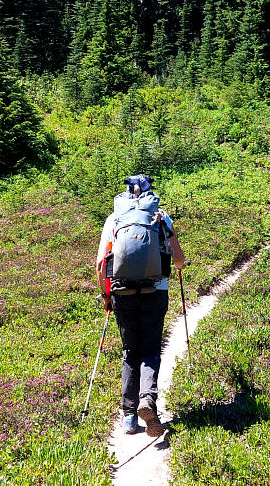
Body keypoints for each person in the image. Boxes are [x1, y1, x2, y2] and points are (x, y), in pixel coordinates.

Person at [96, 174, 185, 437]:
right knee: (150, 348)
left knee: (130, 349)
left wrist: (106, 295)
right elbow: (178, 260)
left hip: (122, 293)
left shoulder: (114, 220)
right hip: (154, 291)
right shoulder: (161, 217)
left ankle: (129, 417)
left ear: (126, 194)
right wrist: (178, 265)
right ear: (149, 194)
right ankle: (148, 398)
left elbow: (101, 263)